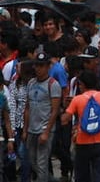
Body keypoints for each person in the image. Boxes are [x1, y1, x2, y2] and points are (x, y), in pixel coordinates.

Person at [61, 70, 100, 182]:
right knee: (99, 171)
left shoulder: (77, 99)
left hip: (83, 141)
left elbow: (65, 119)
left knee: (82, 174)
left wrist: (65, 107)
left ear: (83, 84)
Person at [24, 51, 61, 182]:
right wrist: (25, 130)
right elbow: (27, 107)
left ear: (48, 67)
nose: (38, 68)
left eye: (42, 66)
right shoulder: (31, 83)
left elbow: (55, 110)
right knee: (33, 161)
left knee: (41, 163)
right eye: (37, 65)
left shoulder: (53, 85)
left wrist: (46, 131)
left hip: (44, 128)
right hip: (31, 129)